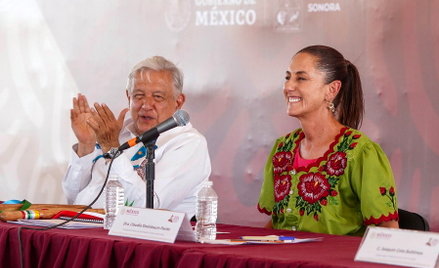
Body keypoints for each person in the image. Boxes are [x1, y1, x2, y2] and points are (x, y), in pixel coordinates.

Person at [258, 45, 399, 236]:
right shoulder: (283, 148)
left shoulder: (359, 151)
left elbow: (388, 229)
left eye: (301, 78)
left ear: (332, 89)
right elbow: (277, 222)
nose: (288, 86)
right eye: (287, 77)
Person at [62, 56, 211, 218]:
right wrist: (86, 145)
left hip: (141, 238)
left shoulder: (188, 143)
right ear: (128, 97)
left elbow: (145, 208)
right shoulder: (118, 133)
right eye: (139, 95)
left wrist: (112, 147)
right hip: (85, 228)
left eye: (158, 97)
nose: (146, 105)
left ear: (178, 102)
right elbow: (74, 199)